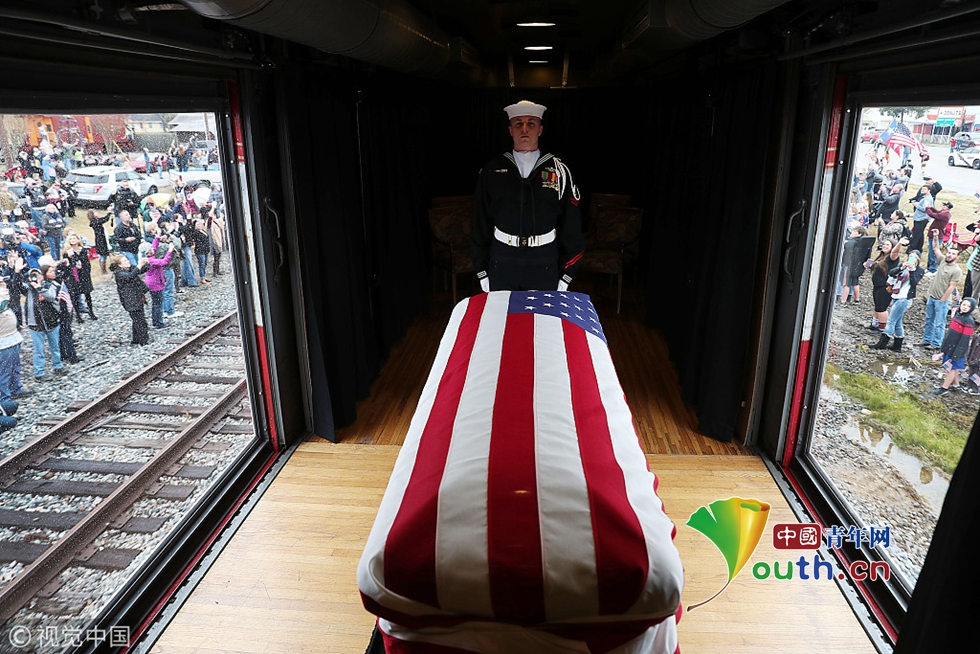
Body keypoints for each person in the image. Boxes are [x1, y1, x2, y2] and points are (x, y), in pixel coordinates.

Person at [471, 100, 585, 292]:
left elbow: (571, 225)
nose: (524, 129)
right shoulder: (492, 171)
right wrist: (481, 269)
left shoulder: (559, 171)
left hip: (544, 262)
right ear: (510, 130)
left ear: (540, 130)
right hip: (503, 261)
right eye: (518, 123)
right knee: (503, 313)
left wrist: (567, 274)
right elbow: (479, 221)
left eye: (531, 123)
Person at [19, 260, 66, 380]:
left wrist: (40, 287)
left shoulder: (50, 285)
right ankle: (39, 373)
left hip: (52, 321)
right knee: (38, 350)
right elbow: (16, 285)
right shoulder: (28, 289)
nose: (36, 277)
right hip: (35, 323)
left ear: (42, 275)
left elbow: (51, 296)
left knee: (55, 346)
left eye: (37, 274)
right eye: (33, 275)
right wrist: (17, 272)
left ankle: (58, 366)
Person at [873, 250, 924, 352]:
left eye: (914, 257)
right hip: (896, 295)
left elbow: (914, 283)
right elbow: (891, 273)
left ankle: (882, 343)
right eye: (910, 256)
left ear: (918, 259)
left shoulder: (919, 270)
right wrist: (901, 268)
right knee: (897, 322)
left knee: (891, 320)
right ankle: (897, 345)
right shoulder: (903, 266)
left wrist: (912, 271)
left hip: (904, 298)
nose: (911, 259)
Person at [921, 235, 962, 350]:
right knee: (929, 320)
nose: (950, 255)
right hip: (932, 297)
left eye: (953, 254)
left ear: (957, 257)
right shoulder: (943, 261)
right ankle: (926, 340)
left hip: (943, 301)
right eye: (949, 253)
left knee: (939, 323)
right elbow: (935, 249)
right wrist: (935, 236)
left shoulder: (957, 270)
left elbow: (952, 287)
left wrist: (942, 299)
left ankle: (936, 344)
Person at [932, 297, 977, 396]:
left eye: (968, 306)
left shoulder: (969, 321)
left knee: (950, 368)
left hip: (957, 350)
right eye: (964, 304)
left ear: (972, 308)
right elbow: (950, 334)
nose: (965, 307)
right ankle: (956, 385)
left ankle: (944, 389)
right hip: (949, 347)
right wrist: (943, 349)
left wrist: (957, 354)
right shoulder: (958, 315)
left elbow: (965, 339)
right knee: (954, 368)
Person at [109, 253, 150, 346]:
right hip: (130, 300)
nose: (127, 261)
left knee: (137, 320)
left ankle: (136, 340)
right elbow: (130, 276)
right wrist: (139, 265)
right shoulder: (119, 274)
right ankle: (143, 341)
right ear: (120, 265)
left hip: (137, 297)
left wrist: (146, 263)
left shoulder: (130, 268)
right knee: (140, 321)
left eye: (127, 259)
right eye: (124, 261)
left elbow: (141, 270)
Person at [0, 277, 29, 400]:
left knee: (15, 366)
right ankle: (4, 397)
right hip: (3, 339)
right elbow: (2, 304)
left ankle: (15, 388)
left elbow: (8, 307)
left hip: (12, 335)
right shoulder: (2, 295)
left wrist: (16, 324)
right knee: (5, 370)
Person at [868, 237, 901, 331]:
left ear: (892, 247)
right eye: (884, 244)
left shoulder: (892, 258)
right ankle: (874, 324)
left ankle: (882, 328)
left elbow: (895, 253)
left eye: (887, 245)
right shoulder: (881, 257)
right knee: (877, 306)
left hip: (885, 286)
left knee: (882, 308)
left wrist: (899, 243)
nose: (884, 246)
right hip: (877, 285)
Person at [62, 234, 96, 321]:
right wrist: (72, 259)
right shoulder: (67, 252)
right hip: (74, 276)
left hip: (84, 274)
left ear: (78, 240)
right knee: (75, 296)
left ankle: (91, 312)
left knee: (87, 294)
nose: (73, 240)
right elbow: (67, 266)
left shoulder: (83, 250)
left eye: (74, 238)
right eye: (71, 239)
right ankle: (78, 315)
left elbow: (86, 262)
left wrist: (87, 271)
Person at [145, 236, 174, 329]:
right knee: (158, 304)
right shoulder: (152, 261)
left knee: (155, 304)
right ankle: (159, 323)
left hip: (152, 283)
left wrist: (157, 237)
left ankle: (155, 321)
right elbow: (164, 262)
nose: (153, 249)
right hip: (155, 284)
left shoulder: (148, 257)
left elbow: (154, 246)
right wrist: (170, 251)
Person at [840, 225, 867, 304]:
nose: (851, 232)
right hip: (858, 266)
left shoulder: (850, 243)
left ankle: (843, 301)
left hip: (848, 265)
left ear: (859, 234)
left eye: (855, 231)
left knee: (846, 283)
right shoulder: (865, 243)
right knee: (855, 282)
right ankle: (857, 299)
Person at [925, 200, 953, 273]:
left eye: (944, 205)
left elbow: (932, 214)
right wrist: (931, 207)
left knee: (933, 254)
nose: (942, 206)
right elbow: (937, 212)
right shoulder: (944, 213)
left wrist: (927, 208)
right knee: (931, 252)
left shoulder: (945, 215)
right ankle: (929, 268)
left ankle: (933, 269)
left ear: (947, 208)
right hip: (934, 234)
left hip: (937, 236)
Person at [88, 209, 111, 275]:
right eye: (95, 212)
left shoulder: (96, 221)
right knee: (103, 256)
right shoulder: (95, 222)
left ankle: (103, 270)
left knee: (102, 256)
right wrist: (109, 212)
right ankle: (103, 271)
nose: (97, 213)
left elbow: (103, 219)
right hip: (101, 240)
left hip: (100, 240)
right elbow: (105, 219)